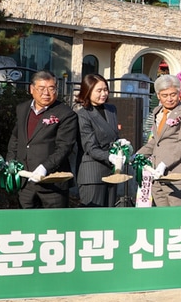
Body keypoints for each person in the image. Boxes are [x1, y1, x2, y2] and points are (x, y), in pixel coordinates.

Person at [8, 71, 79, 209]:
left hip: (52, 183)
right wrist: (10, 162)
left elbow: (64, 147)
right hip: (25, 182)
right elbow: (16, 138)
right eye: (41, 88)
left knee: (54, 226)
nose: (46, 93)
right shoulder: (22, 109)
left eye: (51, 88)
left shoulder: (65, 114)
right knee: (27, 226)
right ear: (31, 89)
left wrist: (44, 168)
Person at [138, 74, 181, 207]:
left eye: (173, 94)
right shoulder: (157, 111)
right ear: (158, 95)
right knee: (162, 219)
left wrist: (164, 163)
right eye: (165, 95)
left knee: (177, 220)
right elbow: (156, 141)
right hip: (157, 177)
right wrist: (138, 155)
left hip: (177, 176)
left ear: (179, 93)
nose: (169, 99)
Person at [74, 73, 119, 207]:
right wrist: (111, 156)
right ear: (87, 92)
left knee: (109, 218)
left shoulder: (111, 109)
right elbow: (90, 148)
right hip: (92, 174)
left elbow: (113, 136)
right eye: (99, 90)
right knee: (93, 219)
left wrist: (122, 146)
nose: (103, 94)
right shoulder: (82, 114)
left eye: (105, 89)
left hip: (112, 171)